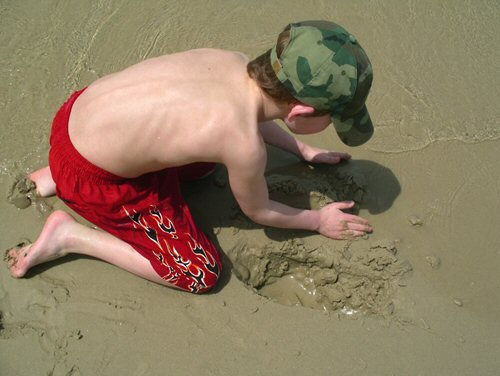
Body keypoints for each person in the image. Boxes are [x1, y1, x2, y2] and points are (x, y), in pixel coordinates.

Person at [7, 20, 374, 293]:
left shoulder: (234, 61)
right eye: (332, 119)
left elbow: (250, 113)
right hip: (97, 178)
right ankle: (69, 236)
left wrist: (301, 148)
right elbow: (260, 211)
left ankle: (59, 172)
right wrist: (317, 220)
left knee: (202, 158)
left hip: (78, 118)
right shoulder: (243, 146)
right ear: (302, 114)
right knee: (200, 272)